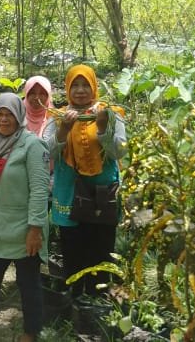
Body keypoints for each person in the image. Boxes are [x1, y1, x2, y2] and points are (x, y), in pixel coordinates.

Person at [0, 93, 51, 342]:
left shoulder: (32, 145)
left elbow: (40, 189)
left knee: (29, 285)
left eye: (9, 114)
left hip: (24, 230)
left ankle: (30, 333)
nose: (4, 119)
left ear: (19, 115)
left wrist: (35, 229)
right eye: (0, 114)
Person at [42, 64, 127, 298]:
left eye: (85, 85)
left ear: (94, 87)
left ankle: (98, 300)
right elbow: (46, 152)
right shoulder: (57, 117)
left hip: (103, 194)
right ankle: (76, 300)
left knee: (101, 248)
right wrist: (63, 131)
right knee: (73, 247)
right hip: (69, 192)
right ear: (68, 89)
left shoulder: (110, 113)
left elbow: (119, 151)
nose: (80, 90)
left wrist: (102, 129)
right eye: (75, 85)